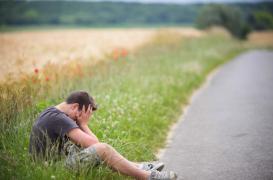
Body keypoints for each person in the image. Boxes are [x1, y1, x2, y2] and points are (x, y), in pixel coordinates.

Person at [29, 90, 177, 180]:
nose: (77, 121)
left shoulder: (52, 113)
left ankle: (141, 167)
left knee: (98, 150)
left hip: (51, 167)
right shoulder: (59, 118)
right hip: (53, 171)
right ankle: (146, 176)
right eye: (80, 116)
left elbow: (93, 147)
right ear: (75, 107)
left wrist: (81, 123)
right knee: (103, 149)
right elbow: (96, 146)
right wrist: (84, 124)